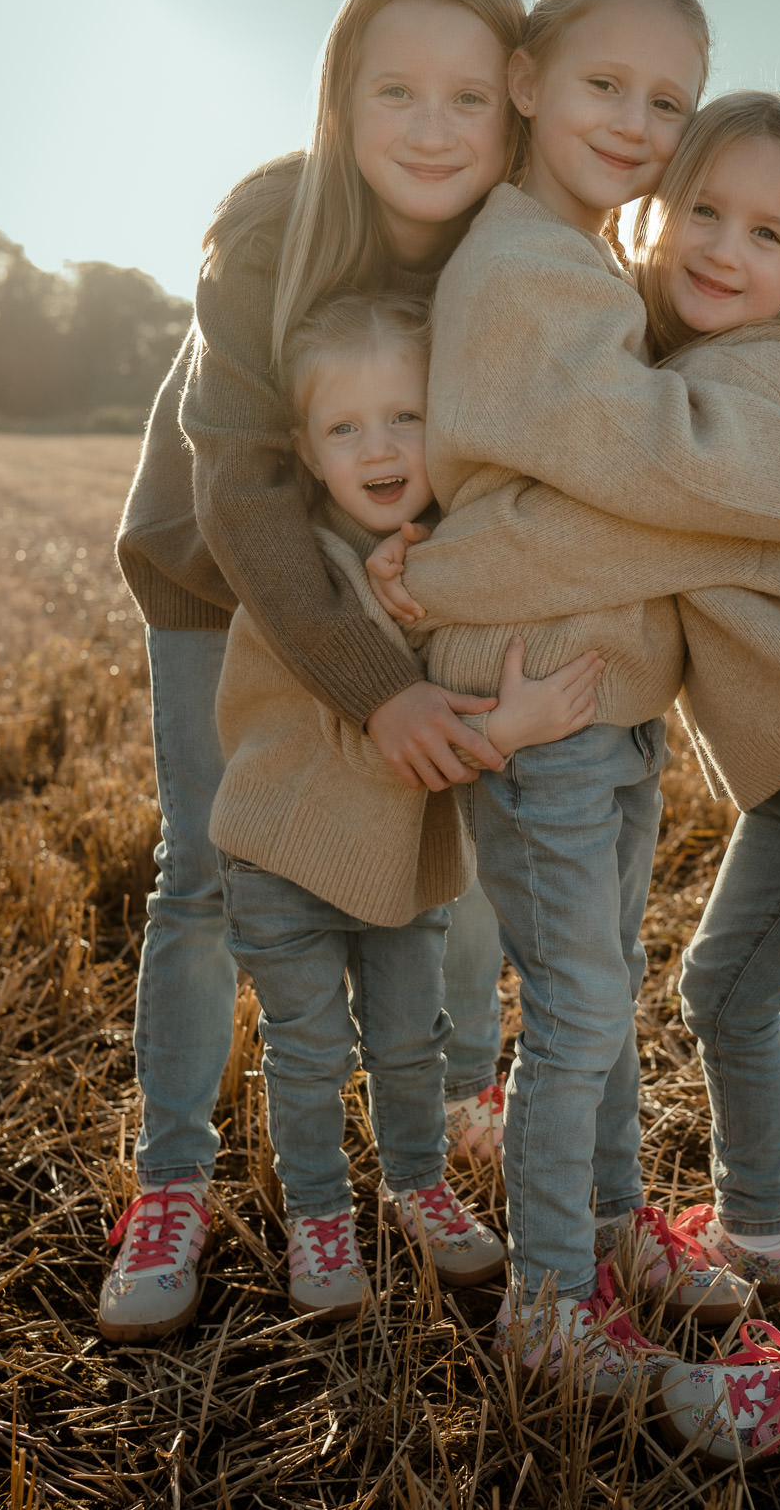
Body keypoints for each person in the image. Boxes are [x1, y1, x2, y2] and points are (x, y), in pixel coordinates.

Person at [385, 89, 780, 1452]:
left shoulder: (755, 384)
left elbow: (619, 541)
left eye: (769, 232)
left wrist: (427, 579)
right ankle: (760, 1228)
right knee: (719, 986)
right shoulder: (675, 359)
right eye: (707, 212)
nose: (726, 248)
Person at [104, 0, 525, 1345]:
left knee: (438, 870)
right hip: (220, 574)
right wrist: (377, 686)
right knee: (213, 870)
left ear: (513, 108)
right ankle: (173, 1184)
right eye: (393, 87)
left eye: (468, 94)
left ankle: (436, 1135)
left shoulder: (511, 242)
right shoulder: (272, 223)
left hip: (404, 570)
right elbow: (240, 486)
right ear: (338, 96)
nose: (430, 125)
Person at [204, 295, 601, 1322]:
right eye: (345, 428)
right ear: (306, 448)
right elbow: (373, 737)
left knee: (408, 1042)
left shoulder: (426, 559)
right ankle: (321, 1220)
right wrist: (508, 732)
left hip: (394, 869)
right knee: (308, 1053)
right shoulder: (298, 582)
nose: (377, 447)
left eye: (404, 418)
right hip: (286, 861)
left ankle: (416, 1184)